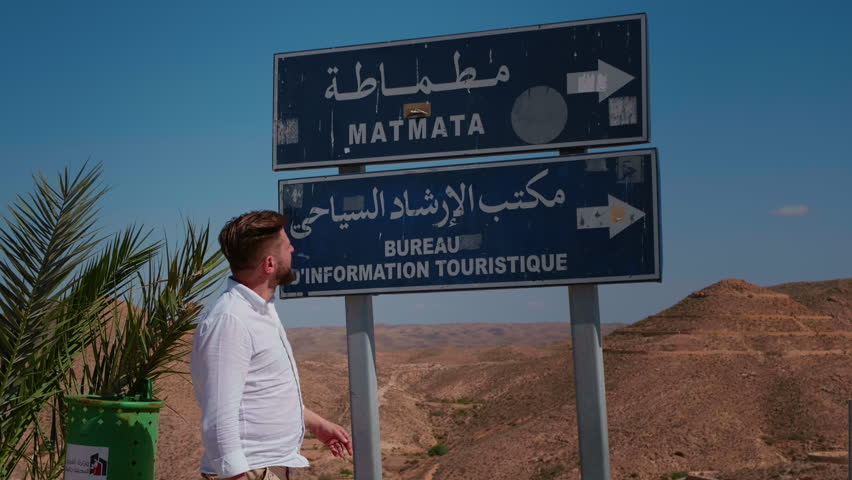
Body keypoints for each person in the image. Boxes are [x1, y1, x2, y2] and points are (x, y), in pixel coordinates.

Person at [191, 210, 353, 480]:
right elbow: (219, 417)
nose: (293, 247)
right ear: (269, 264)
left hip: (267, 467)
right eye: (286, 245)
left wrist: (317, 425)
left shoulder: (259, 312)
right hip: (250, 471)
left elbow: (263, 393)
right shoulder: (231, 320)